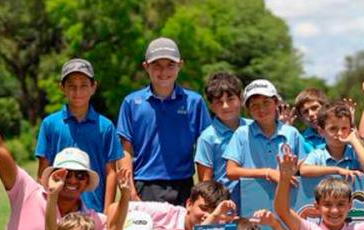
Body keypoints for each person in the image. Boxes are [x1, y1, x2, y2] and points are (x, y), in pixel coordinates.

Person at [117, 37, 210, 204]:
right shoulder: (131, 103)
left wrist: (203, 191)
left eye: (170, 65)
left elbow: (205, 151)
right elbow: (125, 150)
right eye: (157, 65)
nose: (164, 71)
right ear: (146, 66)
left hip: (185, 185)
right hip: (144, 185)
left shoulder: (194, 102)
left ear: (180, 65)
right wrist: (130, 191)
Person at [35, 57, 122, 213]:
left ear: (93, 87)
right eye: (71, 86)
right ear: (62, 88)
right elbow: (43, 171)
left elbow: (111, 173)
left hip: (93, 209)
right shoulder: (50, 124)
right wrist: (45, 208)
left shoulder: (106, 126)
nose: (78, 92)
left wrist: (107, 212)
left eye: (83, 86)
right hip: (57, 209)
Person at [224, 79, 305, 200]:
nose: (261, 109)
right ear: (248, 110)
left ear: (276, 103)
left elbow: (303, 166)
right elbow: (231, 172)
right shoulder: (241, 133)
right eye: (254, 105)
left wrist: (291, 172)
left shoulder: (291, 133)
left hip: (287, 200)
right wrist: (268, 173)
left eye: (266, 102)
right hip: (252, 200)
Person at [194, 71, 250, 210]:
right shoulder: (208, 137)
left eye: (230, 99)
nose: (225, 106)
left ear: (241, 99)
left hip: (256, 198)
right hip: (225, 205)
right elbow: (206, 182)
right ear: (212, 106)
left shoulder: (253, 128)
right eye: (219, 102)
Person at [300, 101, 364, 180]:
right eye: (333, 129)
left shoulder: (354, 153)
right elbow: (303, 170)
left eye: (344, 128)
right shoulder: (318, 155)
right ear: (321, 131)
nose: (339, 133)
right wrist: (337, 170)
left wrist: (354, 140)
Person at [292, 88, 328, 154]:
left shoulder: (339, 133)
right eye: (305, 112)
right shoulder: (300, 140)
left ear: (326, 107)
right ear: (301, 117)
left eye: (314, 108)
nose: (310, 114)